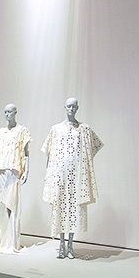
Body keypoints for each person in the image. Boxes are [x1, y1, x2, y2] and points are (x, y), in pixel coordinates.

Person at [41, 98, 103, 259]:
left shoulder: (84, 129)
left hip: (76, 175)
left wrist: (82, 162)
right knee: (61, 208)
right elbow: (49, 153)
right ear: (65, 107)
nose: (71, 109)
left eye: (74, 106)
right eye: (69, 106)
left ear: (78, 108)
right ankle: (61, 244)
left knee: (74, 209)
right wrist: (50, 175)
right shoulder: (56, 129)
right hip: (60, 175)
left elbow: (93, 147)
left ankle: (70, 245)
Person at [0, 103, 32, 254]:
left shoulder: (22, 131)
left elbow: (26, 153)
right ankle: (1, 241)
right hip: (0, 170)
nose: (7, 114)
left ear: (15, 112)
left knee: (13, 205)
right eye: (5, 112)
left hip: (14, 171)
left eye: (9, 112)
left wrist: (26, 170)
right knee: (0, 206)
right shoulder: (1, 132)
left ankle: (12, 242)